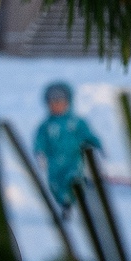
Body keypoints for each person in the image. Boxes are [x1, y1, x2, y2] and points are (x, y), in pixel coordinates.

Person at [32, 81, 101, 210]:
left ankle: (77, 202)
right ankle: (64, 205)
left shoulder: (76, 123)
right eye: (52, 102)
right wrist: (39, 153)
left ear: (68, 102)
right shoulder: (46, 126)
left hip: (73, 160)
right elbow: (39, 141)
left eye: (59, 101)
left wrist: (97, 146)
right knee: (56, 185)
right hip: (54, 164)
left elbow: (88, 135)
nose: (56, 105)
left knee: (73, 179)